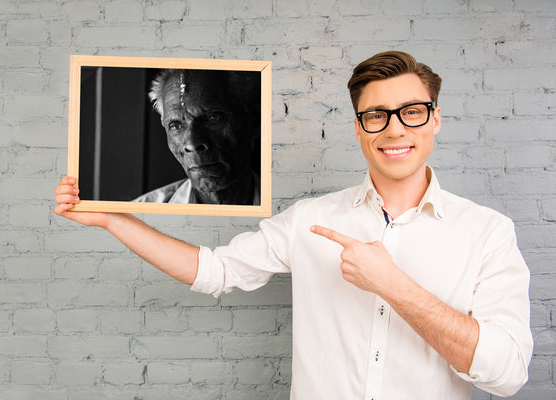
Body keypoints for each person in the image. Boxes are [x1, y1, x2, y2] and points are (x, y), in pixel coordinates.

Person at [55, 51, 533, 399]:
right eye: (375, 115)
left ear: (435, 120)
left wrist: (393, 285)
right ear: (358, 127)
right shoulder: (311, 219)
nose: (394, 129)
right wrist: (109, 219)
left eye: (411, 112)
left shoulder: (487, 232)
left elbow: (507, 374)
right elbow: (213, 271)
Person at [134, 68, 261, 205]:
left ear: (254, 122)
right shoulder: (138, 217)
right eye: (176, 126)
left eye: (213, 118)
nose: (192, 143)